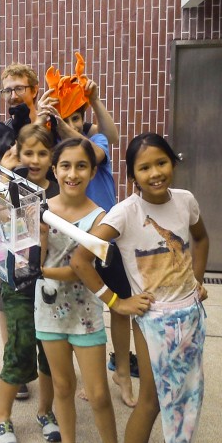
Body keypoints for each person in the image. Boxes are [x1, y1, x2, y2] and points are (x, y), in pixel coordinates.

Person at [70, 132, 209, 443]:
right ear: (133, 176)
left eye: (161, 162)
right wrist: (116, 301)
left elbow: (201, 239)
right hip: (153, 319)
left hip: (190, 315)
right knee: (152, 398)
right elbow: (81, 259)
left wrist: (197, 281)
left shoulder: (185, 200)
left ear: (172, 162)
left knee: (189, 395)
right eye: (144, 168)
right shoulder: (125, 212)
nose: (155, 173)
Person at [34, 138, 149, 443]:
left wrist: (41, 271)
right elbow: (36, 261)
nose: (73, 173)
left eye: (81, 166)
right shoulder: (41, 210)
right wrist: (41, 241)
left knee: (98, 394)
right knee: (62, 386)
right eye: (66, 166)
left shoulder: (100, 217)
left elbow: (79, 269)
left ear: (92, 170)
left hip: (86, 314)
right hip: (48, 311)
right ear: (54, 170)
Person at [38, 55, 138, 407]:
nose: (73, 124)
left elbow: (100, 143)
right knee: (77, 307)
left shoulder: (92, 141)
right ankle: (86, 370)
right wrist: (40, 118)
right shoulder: (56, 153)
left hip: (107, 236)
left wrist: (87, 106)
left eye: (78, 116)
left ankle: (123, 371)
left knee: (120, 304)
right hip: (70, 240)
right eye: (67, 118)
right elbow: (30, 152)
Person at [0, 124, 61, 443]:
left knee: (50, 354)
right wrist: (3, 180)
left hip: (54, 282)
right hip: (18, 280)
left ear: (52, 156)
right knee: (18, 347)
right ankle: (2, 416)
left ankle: (46, 412)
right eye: (28, 152)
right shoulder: (8, 186)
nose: (34, 159)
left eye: (42, 153)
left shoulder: (62, 190)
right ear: (17, 152)